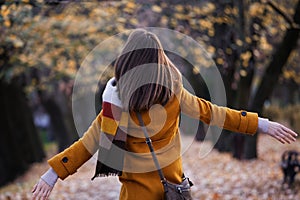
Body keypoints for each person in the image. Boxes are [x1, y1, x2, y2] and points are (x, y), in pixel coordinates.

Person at [32, 29, 298, 200]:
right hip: (173, 192)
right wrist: (260, 123)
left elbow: (87, 145)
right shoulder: (174, 94)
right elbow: (212, 113)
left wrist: (52, 174)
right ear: (159, 60)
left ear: (126, 61)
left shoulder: (114, 104)